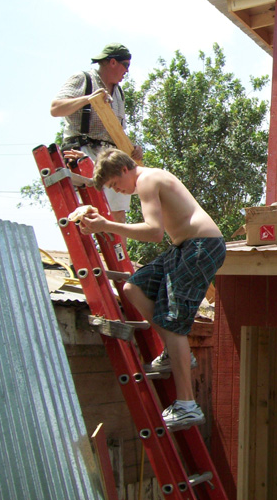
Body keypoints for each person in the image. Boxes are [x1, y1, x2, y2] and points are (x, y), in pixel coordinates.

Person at [79, 149, 225, 429]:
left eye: (114, 185)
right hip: (185, 247)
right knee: (133, 287)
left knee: (173, 323)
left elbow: (153, 232)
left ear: (124, 170)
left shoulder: (147, 180)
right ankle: (174, 350)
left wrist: (107, 225)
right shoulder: (147, 179)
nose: (118, 191)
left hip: (200, 246)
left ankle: (187, 405)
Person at [50, 43, 143, 223]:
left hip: (110, 154)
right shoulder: (84, 79)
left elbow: (117, 129)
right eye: (126, 65)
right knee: (86, 211)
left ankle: (119, 252)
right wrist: (89, 99)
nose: (127, 71)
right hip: (82, 150)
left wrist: (132, 148)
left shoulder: (119, 93)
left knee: (118, 212)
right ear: (113, 62)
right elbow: (55, 109)